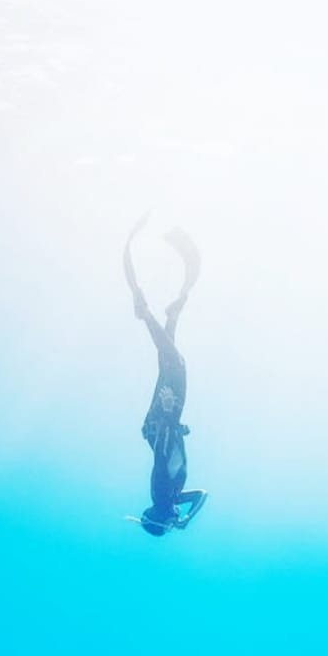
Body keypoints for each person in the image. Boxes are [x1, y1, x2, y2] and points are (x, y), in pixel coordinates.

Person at [123, 216, 208, 536]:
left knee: (174, 361)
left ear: (160, 517)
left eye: (170, 523)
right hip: (164, 421)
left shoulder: (161, 494)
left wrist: (169, 415)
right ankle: (170, 317)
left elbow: (162, 459)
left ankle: (145, 314)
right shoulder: (174, 497)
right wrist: (187, 517)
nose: (174, 520)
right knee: (170, 360)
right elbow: (201, 495)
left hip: (164, 417)